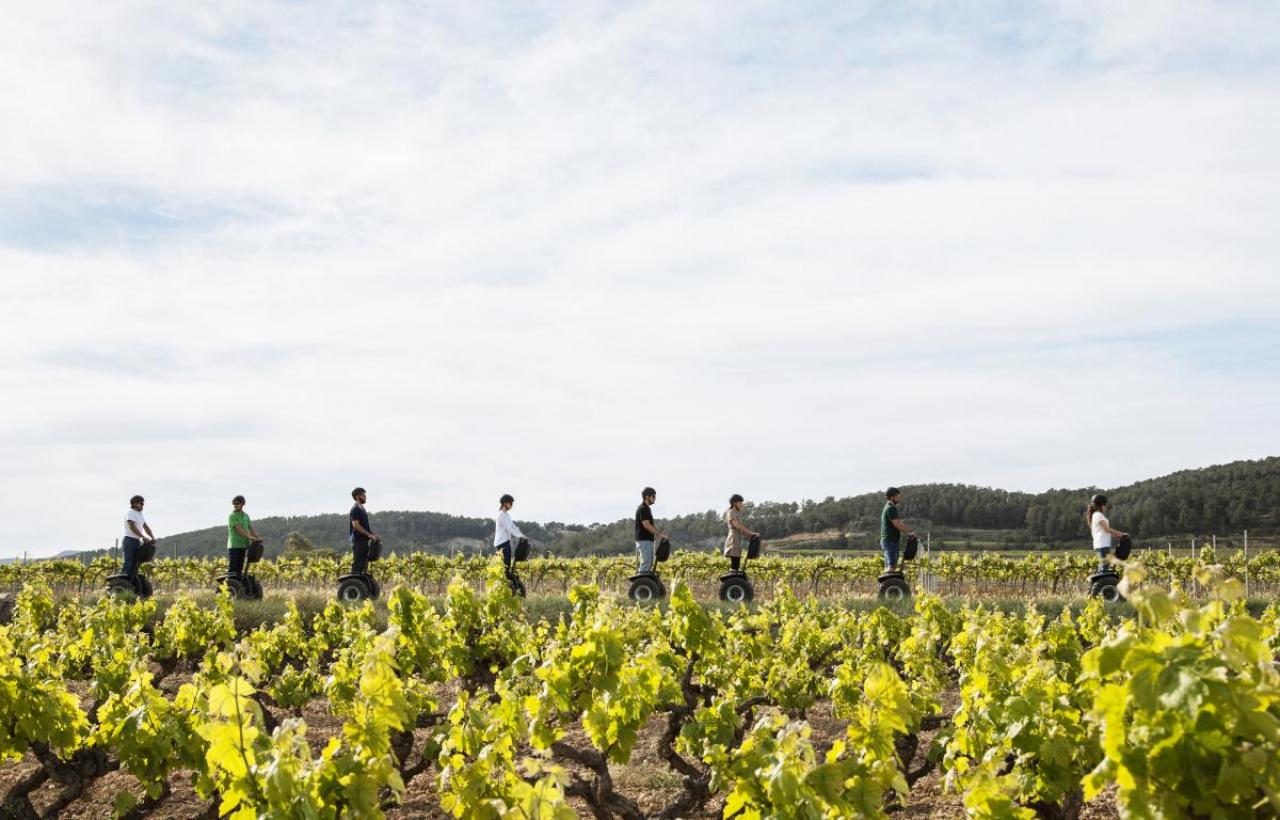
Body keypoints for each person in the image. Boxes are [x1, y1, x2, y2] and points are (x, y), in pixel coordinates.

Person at [1086, 494, 1128, 571]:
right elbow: (1107, 529)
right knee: (1104, 567)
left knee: (1103, 565)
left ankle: (1102, 582)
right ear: (1101, 505)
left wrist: (1118, 535)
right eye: (1104, 505)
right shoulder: (1098, 515)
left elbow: (1105, 530)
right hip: (1103, 545)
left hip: (1099, 544)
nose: (1105, 507)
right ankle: (1103, 582)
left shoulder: (1095, 515)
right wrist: (1121, 534)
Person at [880, 487, 915, 572]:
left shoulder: (890, 507)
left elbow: (899, 522)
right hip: (889, 541)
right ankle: (888, 585)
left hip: (891, 541)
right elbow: (897, 524)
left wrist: (910, 531)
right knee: (891, 566)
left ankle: (888, 584)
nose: (899, 498)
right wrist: (909, 533)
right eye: (897, 496)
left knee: (891, 566)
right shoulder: (890, 508)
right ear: (892, 497)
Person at [635, 487, 669, 574]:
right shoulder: (643, 508)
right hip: (644, 541)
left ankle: (645, 584)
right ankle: (641, 584)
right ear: (647, 497)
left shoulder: (646, 508)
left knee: (649, 564)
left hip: (647, 540)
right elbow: (646, 525)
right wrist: (659, 535)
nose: (655, 499)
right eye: (653, 496)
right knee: (646, 564)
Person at [122, 494, 156, 580]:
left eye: (143, 504)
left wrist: (152, 537)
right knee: (128, 563)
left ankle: (131, 584)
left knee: (135, 564)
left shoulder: (140, 514)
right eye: (141, 503)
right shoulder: (130, 513)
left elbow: (146, 527)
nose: (142, 505)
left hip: (136, 541)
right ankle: (123, 583)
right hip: (129, 540)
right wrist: (143, 536)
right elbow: (132, 527)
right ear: (134, 504)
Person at [723, 494, 759, 573]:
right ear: (734, 503)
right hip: (733, 540)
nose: (741, 505)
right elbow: (738, 526)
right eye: (740, 503)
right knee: (735, 564)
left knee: (736, 564)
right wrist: (751, 533)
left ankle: (734, 581)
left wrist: (750, 535)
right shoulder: (731, 512)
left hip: (737, 539)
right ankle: (733, 582)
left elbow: (741, 529)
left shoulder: (735, 513)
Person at [227, 495, 261, 576]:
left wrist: (258, 537)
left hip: (243, 545)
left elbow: (250, 528)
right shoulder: (232, 516)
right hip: (234, 545)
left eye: (237, 503)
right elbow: (239, 529)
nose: (235, 505)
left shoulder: (246, 516)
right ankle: (231, 585)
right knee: (233, 568)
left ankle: (238, 586)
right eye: (234, 504)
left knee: (240, 568)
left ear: (242, 504)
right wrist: (249, 537)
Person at [349, 487, 379, 576]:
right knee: (358, 564)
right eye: (363, 495)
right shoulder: (355, 509)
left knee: (363, 564)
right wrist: (369, 534)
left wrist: (373, 534)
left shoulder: (362, 509)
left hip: (364, 540)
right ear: (357, 496)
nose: (365, 497)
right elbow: (356, 525)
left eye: (365, 495)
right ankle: (353, 586)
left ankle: (361, 586)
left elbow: (365, 526)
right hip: (358, 540)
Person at [494, 494, 525, 570]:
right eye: (510, 503)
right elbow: (509, 528)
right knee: (505, 565)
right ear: (505, 503)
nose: (512, 505)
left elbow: (513, 526)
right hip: (501, 543)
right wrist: (519, 536)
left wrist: (522, 535)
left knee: (507, 563)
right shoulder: (501, 515)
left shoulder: (506, 515)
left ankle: (507, 580)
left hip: (506, 542)